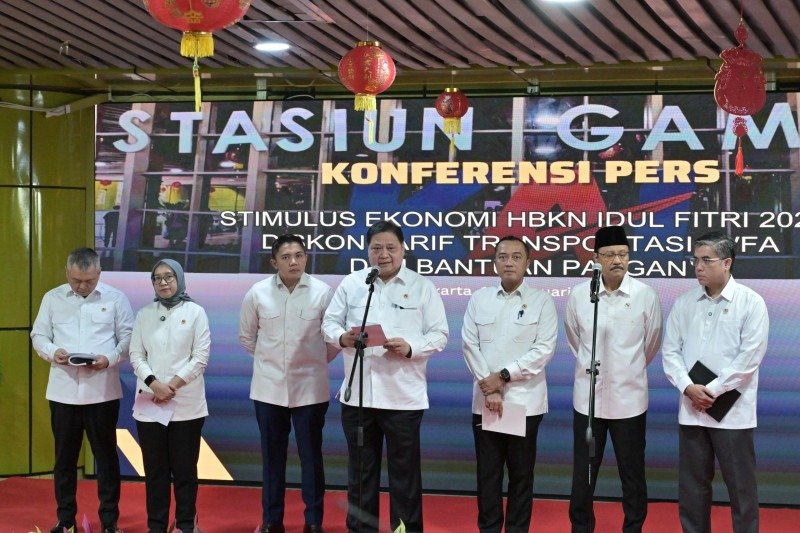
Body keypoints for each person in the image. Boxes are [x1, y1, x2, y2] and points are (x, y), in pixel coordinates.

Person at [322, 221, 449, 533]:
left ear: (403, 250)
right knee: (361, 474)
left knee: (404, 476)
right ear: (367, 251)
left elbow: (440, 334)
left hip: (402, 397)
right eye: (376, 248)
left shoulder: (422, 286)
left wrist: (410, 347)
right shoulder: (353, 284)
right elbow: (329, 322)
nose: (383, 254)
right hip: (359, 396)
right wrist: (342, 338)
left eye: (390, 247)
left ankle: (403, 530)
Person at [662, 231, 769, 533]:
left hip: (733, 414)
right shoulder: (684, 303)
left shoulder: (750, 302)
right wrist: (687, 387)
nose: (698, 267)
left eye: (706, 260)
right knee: (693, 490)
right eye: (695, 260)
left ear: (726, 263)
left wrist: (713, 390)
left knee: (741, 490)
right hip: (692, 410)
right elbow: (670, 352)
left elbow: (750, 357)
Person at [564, 226, 663, 533]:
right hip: (588, 401)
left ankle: (633, 527)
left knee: (632, 474)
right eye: (609, 255)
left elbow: (652, 343)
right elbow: (575, 340)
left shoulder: (645, 295)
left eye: (622, 254)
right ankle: (581, 527)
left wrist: (626, 369)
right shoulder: (581, 295)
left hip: (629, 401)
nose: (617, 260)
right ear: (596, 258)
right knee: (584, 475)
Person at [31, 247, 134, 533]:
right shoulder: (53, 298)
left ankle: (110, 522)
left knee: (106, 458)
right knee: (64, 459)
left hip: (102, 391)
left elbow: (128, 337)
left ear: (99, 273)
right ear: (68, 273)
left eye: (88, 280)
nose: (82, 286)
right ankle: (65, 520)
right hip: (63, 392)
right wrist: (54, 352)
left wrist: (109, 358)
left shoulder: (116, 298)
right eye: (76, 280)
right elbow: (38, 334)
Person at [239, 234, 337, 533]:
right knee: (272, 459)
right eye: (286, 256)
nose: (293, 261)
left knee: (311, 459)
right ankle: (272, 521)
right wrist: (273, 362)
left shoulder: (323, 292)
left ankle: (313, 521)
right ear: (274, 262)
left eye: (299, 255)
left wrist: (311, 362)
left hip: (310, 388)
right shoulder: (257, 292)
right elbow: (247, 337)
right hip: (268, 389)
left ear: (306, 257)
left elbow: (332, 341)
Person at [462, 235, 558, 533]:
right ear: (494, 263)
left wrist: (502, 377)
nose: (509, 262)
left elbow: (543, 349)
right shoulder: (479, 299)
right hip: (486, 403)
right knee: (487, 475)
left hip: (524, 403)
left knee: (520, 476)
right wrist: (489, 387)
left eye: (516, 257)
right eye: (503, 256)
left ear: (527, 262)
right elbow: (469, 344)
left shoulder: (541, 301)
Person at [129, 259, 211, 533]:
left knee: (185, 472)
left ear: (179, 279)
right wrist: (154, 383)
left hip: (186, 405)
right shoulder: (144, 314)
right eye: (157, 278)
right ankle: (156, 525)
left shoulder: (196, 312)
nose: (163, 282)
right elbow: (136, 355)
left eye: (168, 277)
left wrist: (171, 385)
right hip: (150, 404)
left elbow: (200, 358)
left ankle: (186, 525)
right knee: (155, 473)